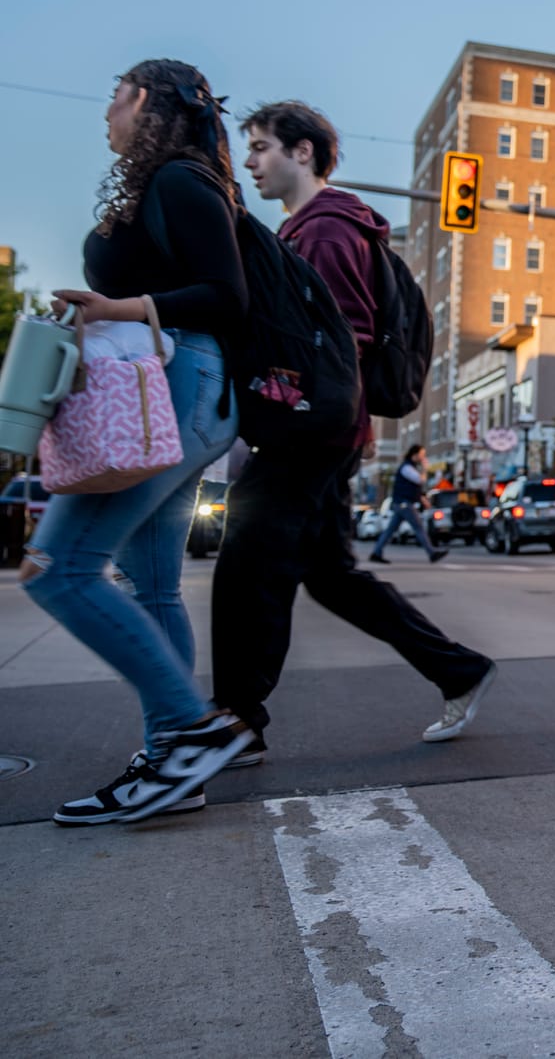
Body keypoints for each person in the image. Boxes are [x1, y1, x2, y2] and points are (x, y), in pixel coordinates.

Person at [211, 101, 496, 764]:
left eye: (260, 147)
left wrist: (290, 408)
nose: (250, 161)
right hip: (325, 430)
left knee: (247, 560)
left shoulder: (326, 232)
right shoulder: (310, 230)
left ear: (302, 151)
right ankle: (458, 669)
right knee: (330, 574)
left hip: (312, 432)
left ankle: (235, 719)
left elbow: (344, 343)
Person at [28, 59, 254, 823]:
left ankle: (192, 731)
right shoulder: (177, 182)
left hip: (178, 384)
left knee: (57, 567)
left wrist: (117, 306)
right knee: (152, 585)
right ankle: (173, 767)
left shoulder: (181, 181)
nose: (105, 114)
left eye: (112, 97)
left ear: (144, 100)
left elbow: (228, 296)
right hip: (173, 386)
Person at [372, 444, 445, 563]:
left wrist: (422, 499)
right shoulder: (406, 467)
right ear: (414, 455)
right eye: (422, 455)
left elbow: (413, 488)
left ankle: (377, 552)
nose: (423, 458)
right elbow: (419, 480)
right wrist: (425, 468)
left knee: (390, 530)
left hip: (402, 503)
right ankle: (432, 552)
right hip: (404, 503)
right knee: (418, 527)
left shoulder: (410, 467)